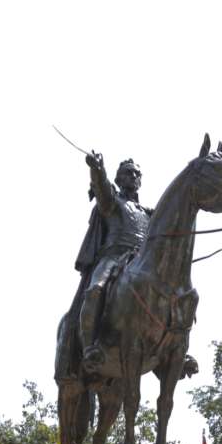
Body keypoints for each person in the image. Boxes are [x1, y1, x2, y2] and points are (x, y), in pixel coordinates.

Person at [76, 152, 151, 372]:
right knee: (95, 291)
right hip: (113, 256)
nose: (134, 177)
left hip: (141, 262)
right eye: (129, 173)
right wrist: (97, 170)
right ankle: (90, 347)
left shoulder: (147, 212)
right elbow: (101, 187)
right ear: (119, 179)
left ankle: (175, 345)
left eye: (137, 174)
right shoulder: (112, 202)